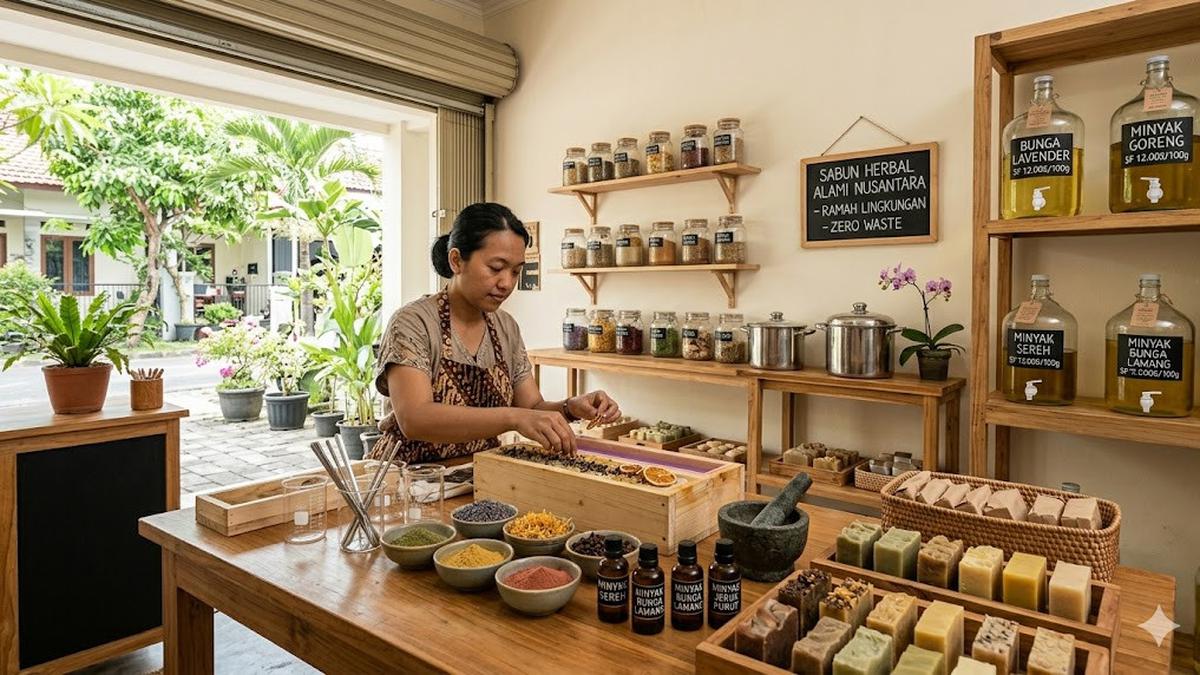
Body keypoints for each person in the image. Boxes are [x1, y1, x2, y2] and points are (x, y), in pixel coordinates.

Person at [369, 202, 621, 464]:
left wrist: (571, 407)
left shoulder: (505, 328)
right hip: (407, 479)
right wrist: (512, 417)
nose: (507, 283)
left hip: (479, 473)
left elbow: (531, 408)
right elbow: (415, 419)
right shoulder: (414, 322)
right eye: (496, 268)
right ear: (456, 260)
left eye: (515, 272)